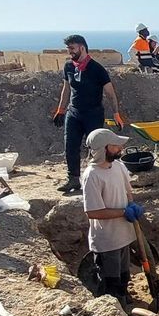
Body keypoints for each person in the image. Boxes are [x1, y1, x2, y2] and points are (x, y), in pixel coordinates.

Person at [51, 34, 124, 195]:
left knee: (96, 147)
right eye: (68, 48)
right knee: (70, 145)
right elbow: (66, 89)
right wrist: (61, 109)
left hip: (93, 114)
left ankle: (100, 178)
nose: (69, 52)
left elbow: (110, 93)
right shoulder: (69, 66)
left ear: (82, 47)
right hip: (74, 113)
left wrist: (116, 114)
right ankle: (73, 179)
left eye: (72, 48)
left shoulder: (97, 69)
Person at [82, 127, 144, 309]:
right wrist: (123, 212)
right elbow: (93, 212)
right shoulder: (92, 175)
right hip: (107, 240)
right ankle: (117, 313)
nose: (120, 149)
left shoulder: (119, 166)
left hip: (124, 235)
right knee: (111, 282)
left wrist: (131, 204)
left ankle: (125, 301)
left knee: (124, 276)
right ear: (104, 149)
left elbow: (127, 191)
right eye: (115, 146)